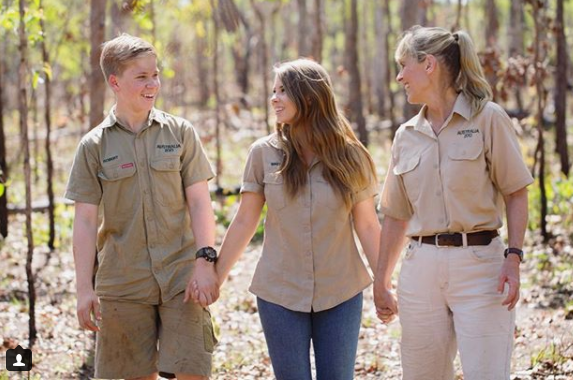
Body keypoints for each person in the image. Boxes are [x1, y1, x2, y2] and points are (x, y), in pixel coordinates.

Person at [373, 26, 533, 380]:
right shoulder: (406, 136)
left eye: (403, 65)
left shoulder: (488, 118)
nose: (399, 76)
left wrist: (514, 257)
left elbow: (516, 191)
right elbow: (396, 215)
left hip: (481, 269)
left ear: (428, 64)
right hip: (420, 270)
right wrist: (381, 280)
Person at [211, 59, 381, 380]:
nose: (274, 98)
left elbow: (368, 225)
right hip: (280, 294)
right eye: (273, 91)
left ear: (310, 96)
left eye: (283, 90)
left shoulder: (351, 156)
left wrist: (383, 284)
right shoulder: (263, 153)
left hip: (341, 293)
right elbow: (245, 220)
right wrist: (215, 279)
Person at [66, 34, 219, 380]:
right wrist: (83, 289)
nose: (153, 84)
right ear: (115, 82)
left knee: (194, 370)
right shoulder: (93, 145)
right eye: (142, 77)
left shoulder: (180, 132)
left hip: (182, 278)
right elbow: (86, 222)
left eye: (155, 75)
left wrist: (205, 260)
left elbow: (199, 201)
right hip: (123, 283)